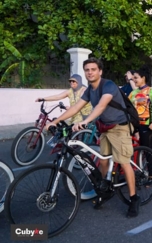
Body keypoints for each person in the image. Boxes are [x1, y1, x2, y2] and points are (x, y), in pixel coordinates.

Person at [45, 57, 140, 218]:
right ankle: (105, 189)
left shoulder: (108, 85)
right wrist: (55, 121)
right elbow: (76, 107)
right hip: (105, 128)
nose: (90, 72)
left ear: (100, 71)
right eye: (87, 70)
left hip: (119, 127)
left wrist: (86, 121)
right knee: (103, 160)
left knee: (124, 163)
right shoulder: (89, 90)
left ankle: (134, 198)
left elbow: (102, 105)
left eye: (93, 69)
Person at [127, 66, 152, 184]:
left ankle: (151, 176)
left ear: (143, 78)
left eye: (136, 78)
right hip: (133, 124)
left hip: (147, 125)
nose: (134, 80)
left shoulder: (151, 91)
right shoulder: (133, 93)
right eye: (133, 78)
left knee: (147, 150)